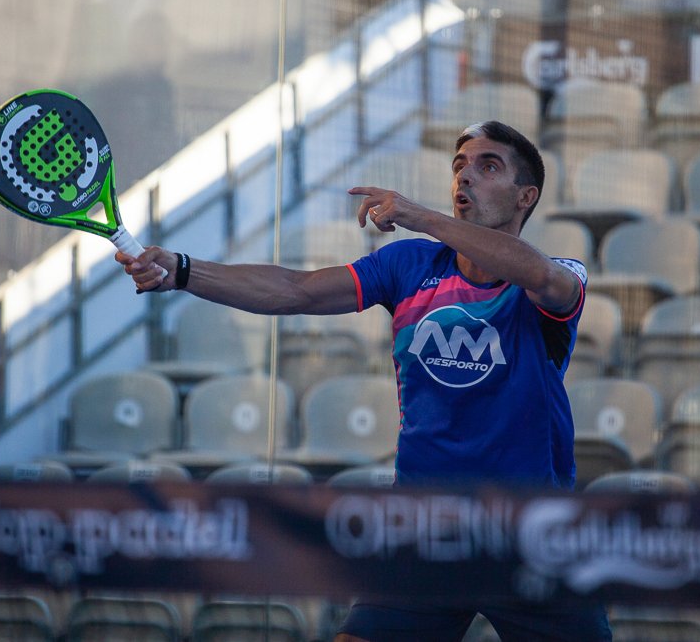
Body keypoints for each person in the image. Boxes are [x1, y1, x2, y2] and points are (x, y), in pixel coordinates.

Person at [117, 119, 611, 642]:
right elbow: (297, 290)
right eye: (459, 166)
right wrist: (185, 270)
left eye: (488, 167)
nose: (465, 177)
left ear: (525, 197)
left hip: (532, 533)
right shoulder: (408, 264)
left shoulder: (560, 273)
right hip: (425, 531)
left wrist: (422, 216)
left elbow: (540, 276)